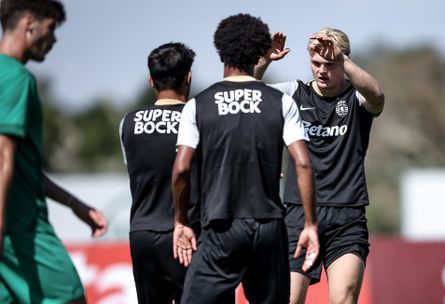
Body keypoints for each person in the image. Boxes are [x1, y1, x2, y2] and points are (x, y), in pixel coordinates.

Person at [171, 13, 320, 304]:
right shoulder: (281, 102)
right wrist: (311, 224)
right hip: (269, 225)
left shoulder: (197, 105)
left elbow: (181, 168)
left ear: (219, 50)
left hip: (221, 225)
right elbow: (303, 163)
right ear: (260, 52)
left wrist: (181, 221)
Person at [255, 28, 385, 304]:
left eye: (330, 64)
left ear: (343, 62)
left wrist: (344, 60)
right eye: (316, 64)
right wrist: (264, 62)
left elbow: (377, 95)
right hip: (297, 215)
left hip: (347, 217)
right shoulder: (293, 94)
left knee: (344, 298)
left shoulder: (356, 98)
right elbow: (247, 94)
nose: (322, 71)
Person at [0, 1, 109, 303]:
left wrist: (74, 203)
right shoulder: (16, 78)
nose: (55, 39)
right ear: (30, 22)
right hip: (19, 230)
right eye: (51, 28)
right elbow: (2, 158)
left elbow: (23, 166)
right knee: (70, 296)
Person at [119, 42, 198, 304]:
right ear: (188, 77)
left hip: (142, 234)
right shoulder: (198, 118)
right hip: (189, 233)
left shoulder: (127, 123)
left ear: (151, 80)